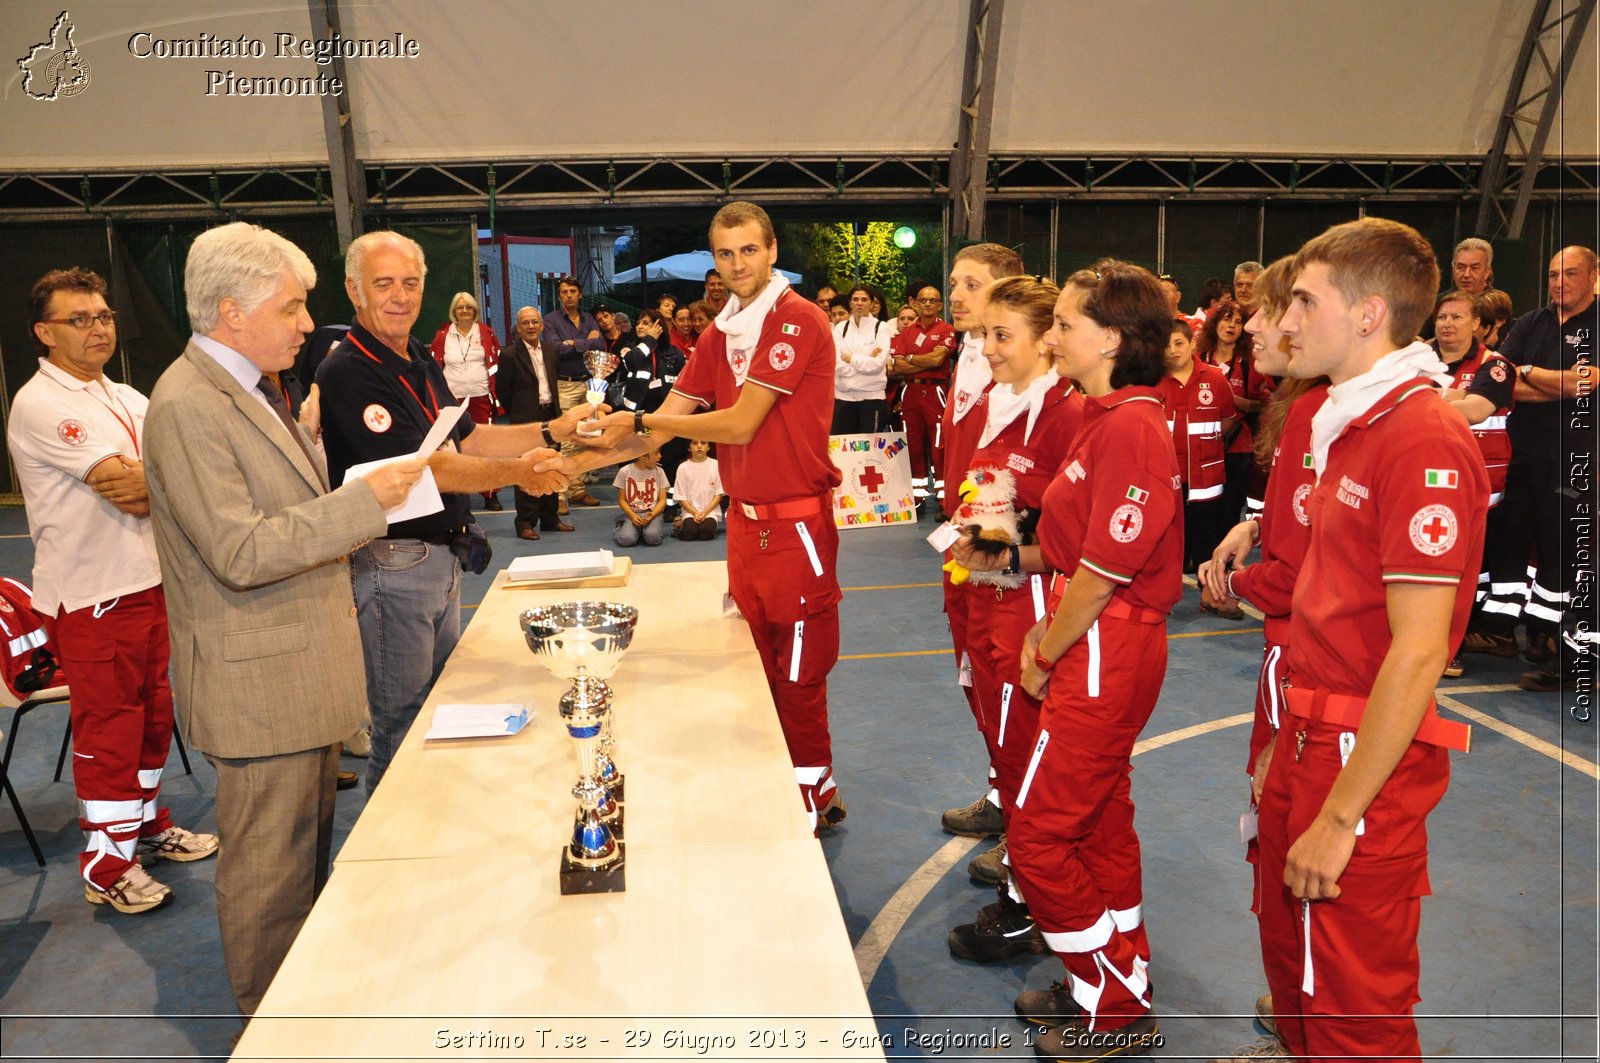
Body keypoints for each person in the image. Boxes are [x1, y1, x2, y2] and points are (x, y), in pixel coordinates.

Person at [141, 221, 428, 1017]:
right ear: (231, 311)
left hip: (293, 675)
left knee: (303, 870)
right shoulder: (189, 404)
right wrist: (358, 507)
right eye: (294, 307)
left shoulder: (250, 388)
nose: (309, 322)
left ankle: (305, 1013)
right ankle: (272, 1026)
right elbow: (237, 549)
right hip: (259, 687)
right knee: (269, 881)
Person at [1256, 217, 1486, 1061]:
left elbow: (1419, 651)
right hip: (1310, 731)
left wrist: (1343, 814)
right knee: (1299, 967)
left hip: (1362, 756)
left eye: (1305, 301)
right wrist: (1285, 742)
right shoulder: (1345, 423)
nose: (1286, 321)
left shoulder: (1420, 436)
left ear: (1367, 314)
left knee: (1354, 1005)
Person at [548, 201, 846, 832]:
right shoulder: (724, 329)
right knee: (756, 668)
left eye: (748, 251)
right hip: (745, 527)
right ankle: (795, 789)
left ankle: (813, 800)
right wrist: (572, 459)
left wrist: (642, 420)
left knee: (797, 675)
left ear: (771, 251)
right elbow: (671, 420)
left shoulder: (796, 322)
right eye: (724, 253)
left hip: (796, 528)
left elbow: (738, 422)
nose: (737, 264)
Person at [315, 231, 575, 792]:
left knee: (440, 716)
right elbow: (426, 468)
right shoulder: (349, 372)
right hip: (392, 566)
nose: (399, 296)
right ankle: (382, 866)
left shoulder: (415, 356)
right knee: (401, 732)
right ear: (354, 291)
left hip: (439, 560)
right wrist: (524, 471)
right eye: (384, 284)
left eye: (410, 283)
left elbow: (471, 438)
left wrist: (554, 430)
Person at [1002, 262, 1182, 1059]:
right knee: (1102, 822)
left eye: (1066, 323)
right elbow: (1075, 548)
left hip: (1105, 644)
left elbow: (1106, 572)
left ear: (1111, 337)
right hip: (1101, 640)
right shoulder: (1103, 416)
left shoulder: (1135, 427)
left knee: (1037, 835)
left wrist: (1044, 648)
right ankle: (1117, 980)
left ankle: (1112, 1001)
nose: (1053, 335)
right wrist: (1012, 554)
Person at [7, 267, 218, 916]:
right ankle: (107, 865)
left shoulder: (126, 395)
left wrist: (171, 470)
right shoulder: (42, 403)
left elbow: (180, 462)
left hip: (150, 586)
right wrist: (174, 473)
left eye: (103, 317)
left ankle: (146, 826)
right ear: (45, 332)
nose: (97, 328)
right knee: (109, 734)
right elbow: (124, 486)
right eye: (80, 319)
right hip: (94, 599)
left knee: (154, 721)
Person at [1198, 256, 1327, 1058]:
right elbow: (1292, 521)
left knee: (1289, 853)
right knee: (1276, 846)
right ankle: (1296, 1008)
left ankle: (1306, 1021)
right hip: (1292, 664)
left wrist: (1234, 577)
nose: (1247, 323)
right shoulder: (1303, 407)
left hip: (1308, 675)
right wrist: (1253, 527)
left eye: (1272, 308)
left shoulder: (1321, 415)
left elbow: (1306, 573)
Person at [938, 276, 1083, 943]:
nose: (989, 348)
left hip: (1023, 605)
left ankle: (1028, 899)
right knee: (1003, 743)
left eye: (1003, 335)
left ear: (1046, 340)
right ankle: (1025, 869)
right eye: (984, 335)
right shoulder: (996, 402)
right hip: (981, 594)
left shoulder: (1067, 414)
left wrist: (998, 548)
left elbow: (1070, 531)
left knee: (1026, 752)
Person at [1465, 246, 1597, 692]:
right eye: (1554, 273)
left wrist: (1531, 372)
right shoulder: (1530, 322)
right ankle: (1504, 631)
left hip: (1576, 461)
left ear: (1593, 276)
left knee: (1564, 552)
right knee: (1511, 542)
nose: (1559, 282)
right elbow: (1507, 383)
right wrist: (1555, 382)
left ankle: (1561, 647)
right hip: (1522, 456)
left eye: (1571, 273)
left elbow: (1587, 381)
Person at [936, 243, 1023, 845]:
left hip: (1001, 552)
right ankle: (1002, 790)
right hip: (961, 547)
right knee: (975, 679)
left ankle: (1025, 821)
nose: (956, 295)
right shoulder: (965, 357)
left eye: (973, 284)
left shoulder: (1029, 377)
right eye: (954, 283)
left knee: (1006, 682)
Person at [1159, 321, 1238, 581]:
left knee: (1207, 542)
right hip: (1164, 480)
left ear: (1192, 343)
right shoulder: (1152, 381)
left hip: (1206, 482)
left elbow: (1227, 421)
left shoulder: (1215, 379)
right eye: (1166, 345)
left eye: (1178, 343)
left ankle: (1211, 593)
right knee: (1167, 544)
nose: (1172, 350)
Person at [498, 306, 573, 541]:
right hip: (525, 420)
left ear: (541, 325)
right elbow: (503, 391)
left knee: (552, 466)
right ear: (518, 328)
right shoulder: (509, 354)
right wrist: (519, 414)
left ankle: (550, 519)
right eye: (525, 323)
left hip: (551, 415)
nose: (530, 327)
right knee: (527, 469)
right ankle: (525, 523)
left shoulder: (551, 350)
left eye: (534, 322)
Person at [428, 291, 503, 512]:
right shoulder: (443, 335)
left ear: (475, 310)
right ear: (454, 311)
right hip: (451, 400)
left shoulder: (486, 333)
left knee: (487, 446)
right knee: (451, 447)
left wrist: (494, 393)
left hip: (480, 396)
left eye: (468, 307)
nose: (464, 311)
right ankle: (453, 492)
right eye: (460, 307)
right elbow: (434, 368)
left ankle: (490, 493)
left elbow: (496, 364)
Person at [1197, 298, 1268, 528]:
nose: (1232, 326)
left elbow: (1264, 404)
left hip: (1237, 447)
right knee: (1203, 511)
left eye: (1238, 322)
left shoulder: (1249, 363)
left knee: (1230, 509)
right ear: (1214, 324)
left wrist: (1233, 400)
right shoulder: (1199, 359)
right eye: (1227, 319)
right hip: (1202, 447)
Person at [889, 283, 957, 504]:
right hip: (911, 391)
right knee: (912, 442)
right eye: (923, 300)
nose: (928, 304)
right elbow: (897, 367)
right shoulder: (906, 332)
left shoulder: (947, 329)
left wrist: (910, 358)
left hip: (936, 390)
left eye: (933, 300)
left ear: (940, 304)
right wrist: (923, 360)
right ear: (915, 303)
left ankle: (943, 496)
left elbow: (938, 360)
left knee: (939, 443)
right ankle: (916, 496)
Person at [543, 275, 606, 508]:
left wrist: (573, 343)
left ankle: (578, 489)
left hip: (589, 383)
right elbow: (556, 349)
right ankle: (561, 494)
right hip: (565, 384)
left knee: (586, 436)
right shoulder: (550, 321)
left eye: (572, 291)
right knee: (568, 437)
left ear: (579, 294)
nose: (569, 295)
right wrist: (583, 343)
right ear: (559, 296)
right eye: (564, 292)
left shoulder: (589, 318)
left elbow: (599, 346)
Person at [620, 308, 689, 489]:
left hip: (666, 416)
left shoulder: (674, 354)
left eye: (646, 323)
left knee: (669, 458)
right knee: (640, 457)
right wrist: (649, 341)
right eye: (638, 323)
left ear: (658, 327)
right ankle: (637, 505)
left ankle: (670, 506)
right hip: (640, 416)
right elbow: (631, 362)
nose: (639, 326)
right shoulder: (631, 350)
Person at [831, 284, 892, 434]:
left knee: (870, 453)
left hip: (872, 398)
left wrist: (851, 359)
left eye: (864, 299)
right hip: (843, 397)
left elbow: (878, 364)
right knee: (843, 451)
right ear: (850, 303)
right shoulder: (840, 328)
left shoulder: (881, 327)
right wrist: (866, 360)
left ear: (872, 303)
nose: (859, 303)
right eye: (855, 299)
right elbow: (835, 363)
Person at [612, 450, 669, 547]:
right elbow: (622, 500)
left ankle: (643, 532)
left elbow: (663, 500)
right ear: (643, 456)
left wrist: (652, 514)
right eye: (656, 453)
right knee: (626, 540)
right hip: (633, 513)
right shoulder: (624, 471)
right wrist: (632, 515)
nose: (660, 456)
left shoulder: (659, 472)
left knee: (653, 538)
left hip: (653, 513)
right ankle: (620, 528)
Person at [672, 439, 723, 540]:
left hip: (710, 511)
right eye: (694, 443)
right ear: (688, 447)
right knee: (689, 534)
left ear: (708, 447)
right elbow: (681, 497)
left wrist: (705, 513)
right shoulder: (683, 467)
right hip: (689, 511)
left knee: (706, 533)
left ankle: (708, 526)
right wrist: (694, 513)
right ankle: (680, 526)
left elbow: (718, 494)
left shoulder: (716, 465)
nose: (699, 446)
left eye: (703, 443)